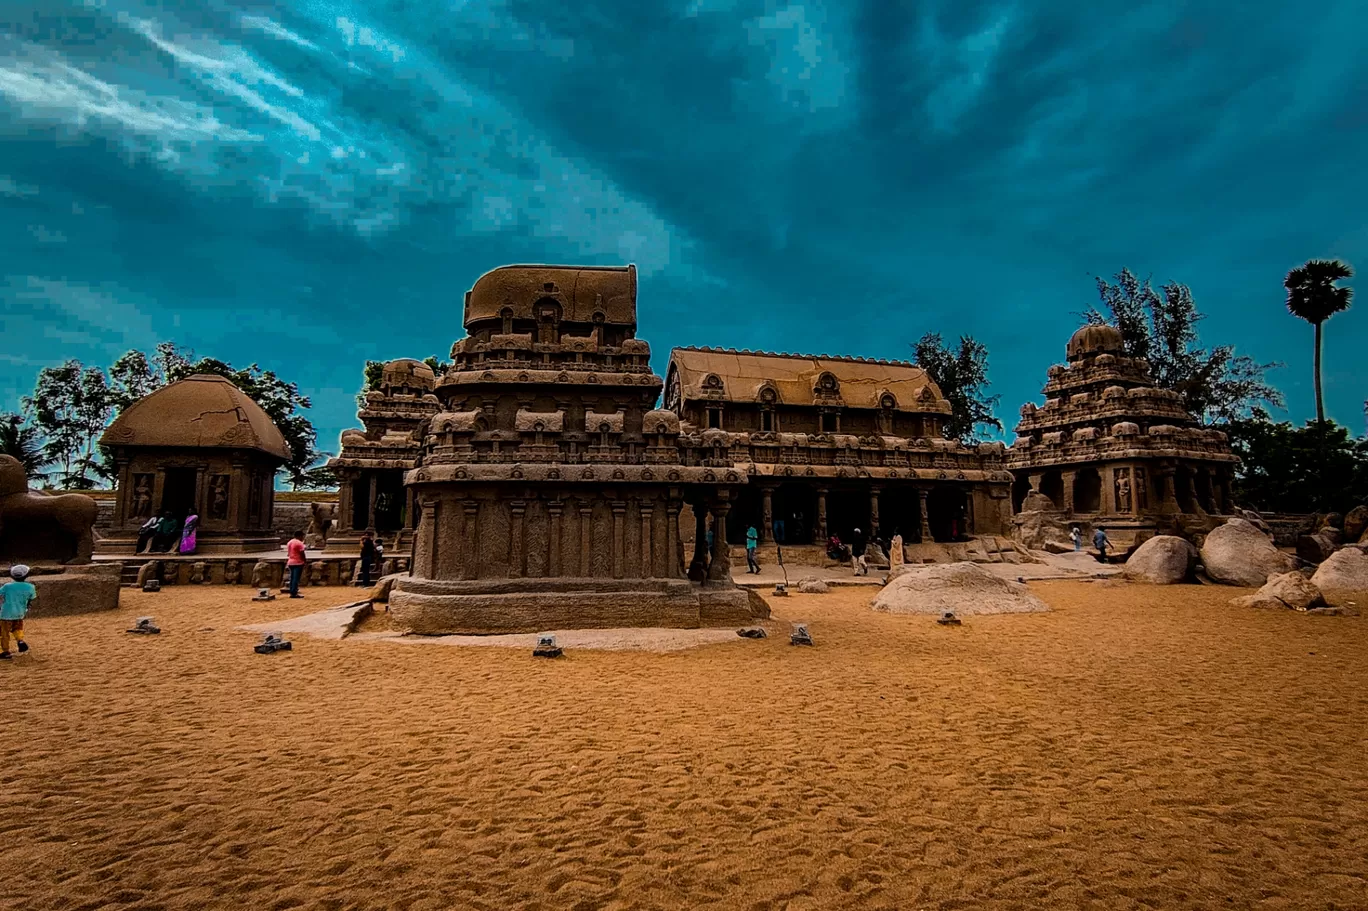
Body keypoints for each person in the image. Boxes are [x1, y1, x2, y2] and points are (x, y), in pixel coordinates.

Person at [1, 564, 36, 659]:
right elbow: (31, 599)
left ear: (12, 576)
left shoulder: (7, 586)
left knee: (3, 632)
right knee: (17, 628)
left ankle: (4, 651)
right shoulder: (31, 587)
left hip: (6, 613)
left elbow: (1, 594)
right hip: (20, 612)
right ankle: (20, 640)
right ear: (27, 575)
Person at [286, 530, 307, 598]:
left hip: (290, 561)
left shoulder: (290, 542)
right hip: (298, 562)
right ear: (300, 536)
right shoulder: (299, 543)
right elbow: (302, 553)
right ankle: (294, 592)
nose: (303, 538)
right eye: (302, 536)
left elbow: (288, 553)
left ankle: (292, 591)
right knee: (296, 578)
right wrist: (304, 561)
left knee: (292, 578)